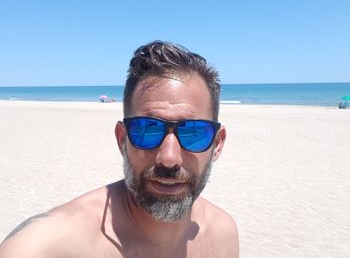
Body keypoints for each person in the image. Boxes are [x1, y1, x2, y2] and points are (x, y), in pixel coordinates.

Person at [0, 41, 239, 257]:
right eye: (147, 130)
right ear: (122, 139)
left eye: (193, 132)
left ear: (217, 145)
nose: (169, 158)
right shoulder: (50, 245)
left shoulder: (222, 235)